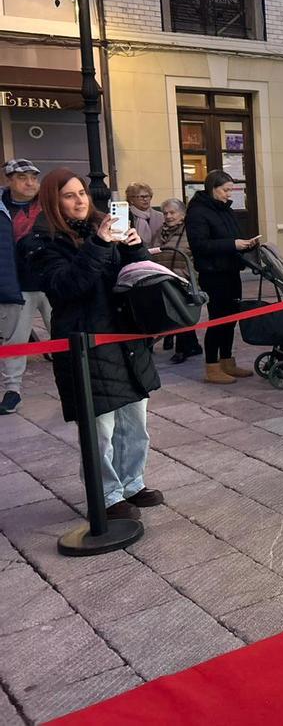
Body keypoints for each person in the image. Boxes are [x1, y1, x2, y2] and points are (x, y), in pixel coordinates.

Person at [20, 169, 164, 521]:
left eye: (82, 193)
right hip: (87, 343)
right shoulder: (40, 242)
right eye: (69, 196)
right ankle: (107, 494)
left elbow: (135, 275)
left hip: (124, 339)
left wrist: (134, 247)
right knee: (100, 427)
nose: (80, 200)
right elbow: (67, 286)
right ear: (53, 202)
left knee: (134, 420)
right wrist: (100, 245)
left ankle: (132, 482)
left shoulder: (105, 228)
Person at [186, 171, 261, 385]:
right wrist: (232, 244)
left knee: (231, 317)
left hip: (230, 269)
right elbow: (200, 244)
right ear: (213, 188)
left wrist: (246, 243)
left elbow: (232, 235)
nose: (229, 194)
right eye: (226, 190)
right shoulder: (198, 212)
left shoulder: (225, 209)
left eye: (231, 190)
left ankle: (227, 361)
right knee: (218, 319)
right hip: (213, 273)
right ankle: (212, 366)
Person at [0, 160, 52, 414]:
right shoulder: (2, 208)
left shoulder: (50, 204)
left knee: (67, 333)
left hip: (54, 280)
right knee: (15, 340)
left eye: (33, 177)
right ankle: (12, 390)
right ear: (8, 179)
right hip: (18, 283)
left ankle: (77, 380)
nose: (30, 182)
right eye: (22, 178)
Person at [149, 198, 203, 364]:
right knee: (177, 313)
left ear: (183, 214)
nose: (168, 216)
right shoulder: (160, 232)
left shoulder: (190, 232)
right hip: (164, 279)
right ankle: (193, 345)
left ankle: (182, 349)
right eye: (165, 213)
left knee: (181, 312)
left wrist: (184, 273)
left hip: (183, 279)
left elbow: (195, 258)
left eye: (173, 212)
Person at [125, 182, 164, 247]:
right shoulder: (127, 216)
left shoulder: (160, 216)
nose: (145, 199)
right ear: (131, 199)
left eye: (147, 196)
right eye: (141, 197)